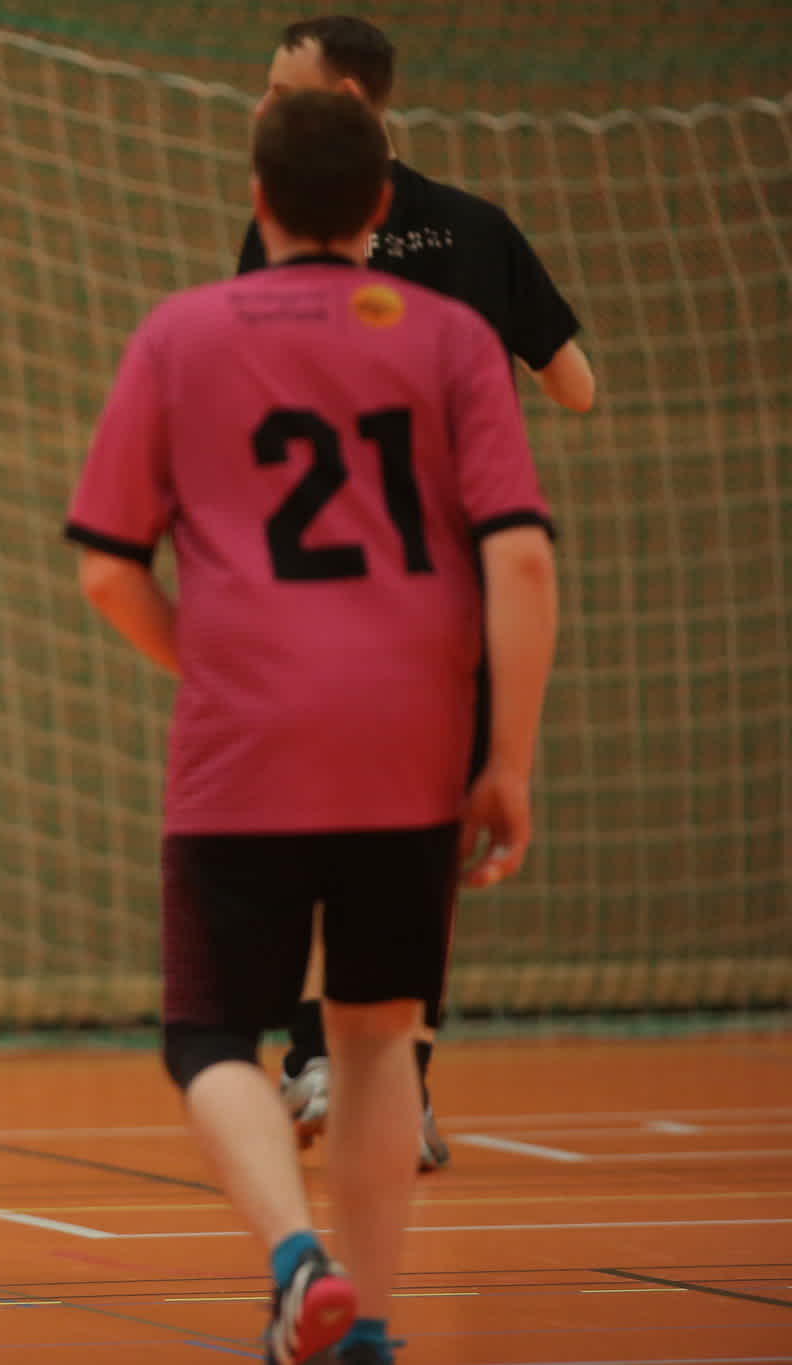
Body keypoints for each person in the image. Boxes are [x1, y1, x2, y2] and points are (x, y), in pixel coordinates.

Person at [66, 91, 558, 1365]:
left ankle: (296, 1263)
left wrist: (208, 664)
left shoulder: (179, 335)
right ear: (382, 206)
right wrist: (502, 757)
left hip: (245, 745)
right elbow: (519, 565)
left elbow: (106, 570)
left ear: (255, 198)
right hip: (410, 742)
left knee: (210, 1033)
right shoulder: (451, 339)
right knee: (379, 1031)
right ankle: (372, 1327)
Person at [236, 14, 595, 1172]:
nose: (263, 102)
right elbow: (576, 388)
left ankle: (308, 1063)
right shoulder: (479, 231)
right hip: (446, 595)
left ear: (340, 96)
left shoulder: (279, 237)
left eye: (280, 87)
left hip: (316, 595)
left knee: (306, 843)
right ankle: (398, 1092)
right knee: (414, 858)